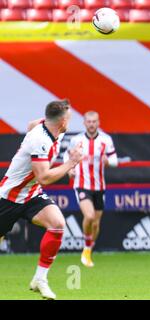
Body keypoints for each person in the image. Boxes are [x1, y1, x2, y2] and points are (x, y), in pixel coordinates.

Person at [0, 99, 83, 299]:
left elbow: (30, 125)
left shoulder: (47, 128)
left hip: (31, 194)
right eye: (69, 118)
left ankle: (40, 279)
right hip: (9, 198)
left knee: (57, 224)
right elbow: (44, 177)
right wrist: (71, 163)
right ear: (62, 122)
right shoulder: (40, 140)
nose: (70, 122)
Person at [64, 111, 118, 267]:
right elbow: (67, 157)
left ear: (99, 122)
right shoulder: (76, 140)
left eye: (94, 121)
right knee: (89, 215)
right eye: (89, 121)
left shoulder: (106, 140)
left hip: (99, 186)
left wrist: (108, 161)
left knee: (95, 223)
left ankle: (88, 249)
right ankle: (87, 249)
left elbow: (115, 160)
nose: (92, 124)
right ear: (84, 123)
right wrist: (69, 170)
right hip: (81, 184)